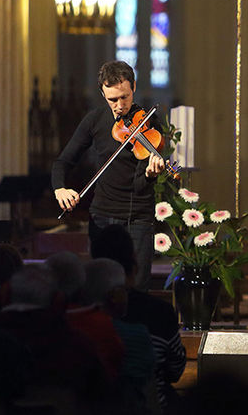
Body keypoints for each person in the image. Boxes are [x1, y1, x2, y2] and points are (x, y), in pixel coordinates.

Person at [53, 61, 165, 290]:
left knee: (137, 287)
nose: (120, 106)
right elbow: (63, 161)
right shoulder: (95, 120)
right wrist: (59, 188)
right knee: (101, 287)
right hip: (102, 217)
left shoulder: (149, 123)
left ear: (133, 87)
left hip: (139, 218)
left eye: (124, 97)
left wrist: (151, 174)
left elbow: (140, 186)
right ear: (102, 93)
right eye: (112, 99)